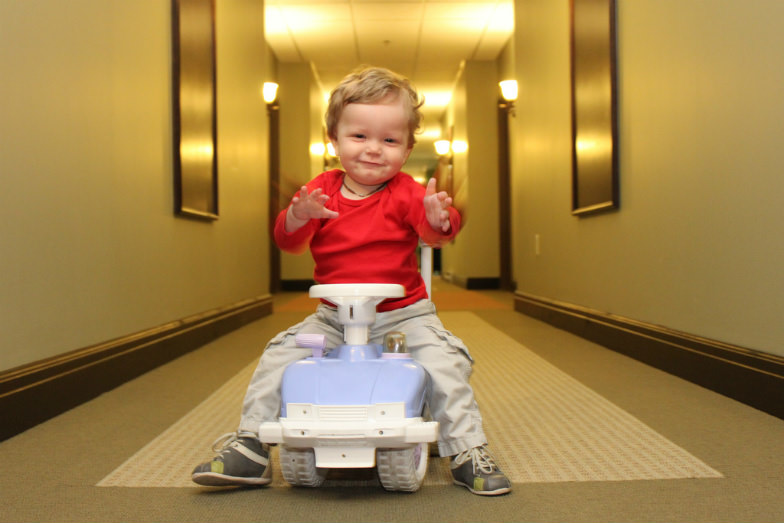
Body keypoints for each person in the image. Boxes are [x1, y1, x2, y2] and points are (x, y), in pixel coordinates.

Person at [191, 66, 511, 496]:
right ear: (334, 139)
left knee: (443, 364)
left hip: (403, 317)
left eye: (390, 140)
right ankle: (251, 443)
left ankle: (466, 449)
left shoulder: (408, 192)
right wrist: (298, 216)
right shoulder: (320, 191)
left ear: (408, 146)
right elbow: (288, 241)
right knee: (279, 357)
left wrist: (440, 218)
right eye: (359, 136)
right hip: (332, 318)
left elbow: (435, 233)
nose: (374, 150)